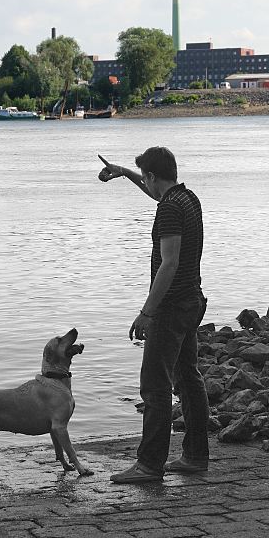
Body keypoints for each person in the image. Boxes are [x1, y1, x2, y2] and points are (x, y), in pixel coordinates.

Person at [98, 147, 209, 483]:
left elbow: (170, 263)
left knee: (155, 385)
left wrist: (147, 311)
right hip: (193, 300)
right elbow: (156, 193)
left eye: (143, 175)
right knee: (188, 379)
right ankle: (195, 456)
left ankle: (149, 465)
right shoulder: (186, 198)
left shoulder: (169, 209)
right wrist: (125, 172)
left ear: (152, 176)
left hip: (172, 306)